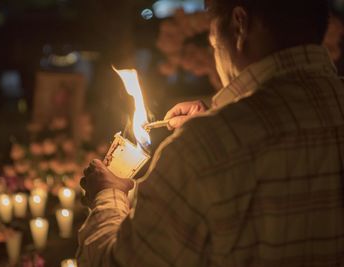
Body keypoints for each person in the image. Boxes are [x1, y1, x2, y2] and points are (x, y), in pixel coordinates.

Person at [78, 0, 344, 266]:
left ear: (240, 25)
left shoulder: (199, 149)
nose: (215, 56)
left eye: (214, 43)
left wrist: (108, 195)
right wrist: (219, 120)